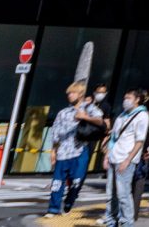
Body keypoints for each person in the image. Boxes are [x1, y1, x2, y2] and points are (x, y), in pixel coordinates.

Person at [106, 89, 149, 227]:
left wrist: (128, 160)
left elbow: (140, 141)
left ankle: (127, 223)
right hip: (113, 157)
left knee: (123, 194)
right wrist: (107, 154)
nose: (125, 100)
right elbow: (113, 137)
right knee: (111, 195)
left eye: (128, 97)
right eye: (124, 97)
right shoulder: (121, 115)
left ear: (137, 99)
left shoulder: (142, 115)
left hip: (126, 159)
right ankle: (110, 221)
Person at [45, 84, 92, 216]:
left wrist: (86, 117)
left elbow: (101, 121)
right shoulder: (63, 113)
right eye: (69, 93)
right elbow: (55, 132)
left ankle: (70, 200)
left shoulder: (89, 110)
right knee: (57, 182)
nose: (69, 95)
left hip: (80, 150)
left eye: (73, 93)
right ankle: (53, 209)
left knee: (77, 180)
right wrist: (53, 150)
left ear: (80, 94)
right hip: (63, 151)